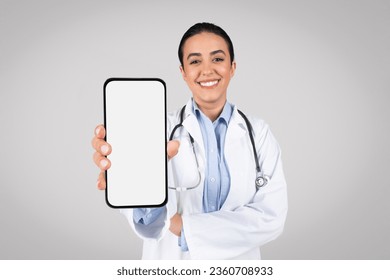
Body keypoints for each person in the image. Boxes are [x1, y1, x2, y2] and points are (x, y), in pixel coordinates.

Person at [92, 22, 288, 259]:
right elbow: (146, 218)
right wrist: (132, 179)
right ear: (183, 72)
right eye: (195, 61)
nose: (207, 70)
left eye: (217, 59)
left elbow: (271, 218)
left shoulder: (259, 133)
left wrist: (180, 226)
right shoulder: (157, 129)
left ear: (232, 67)